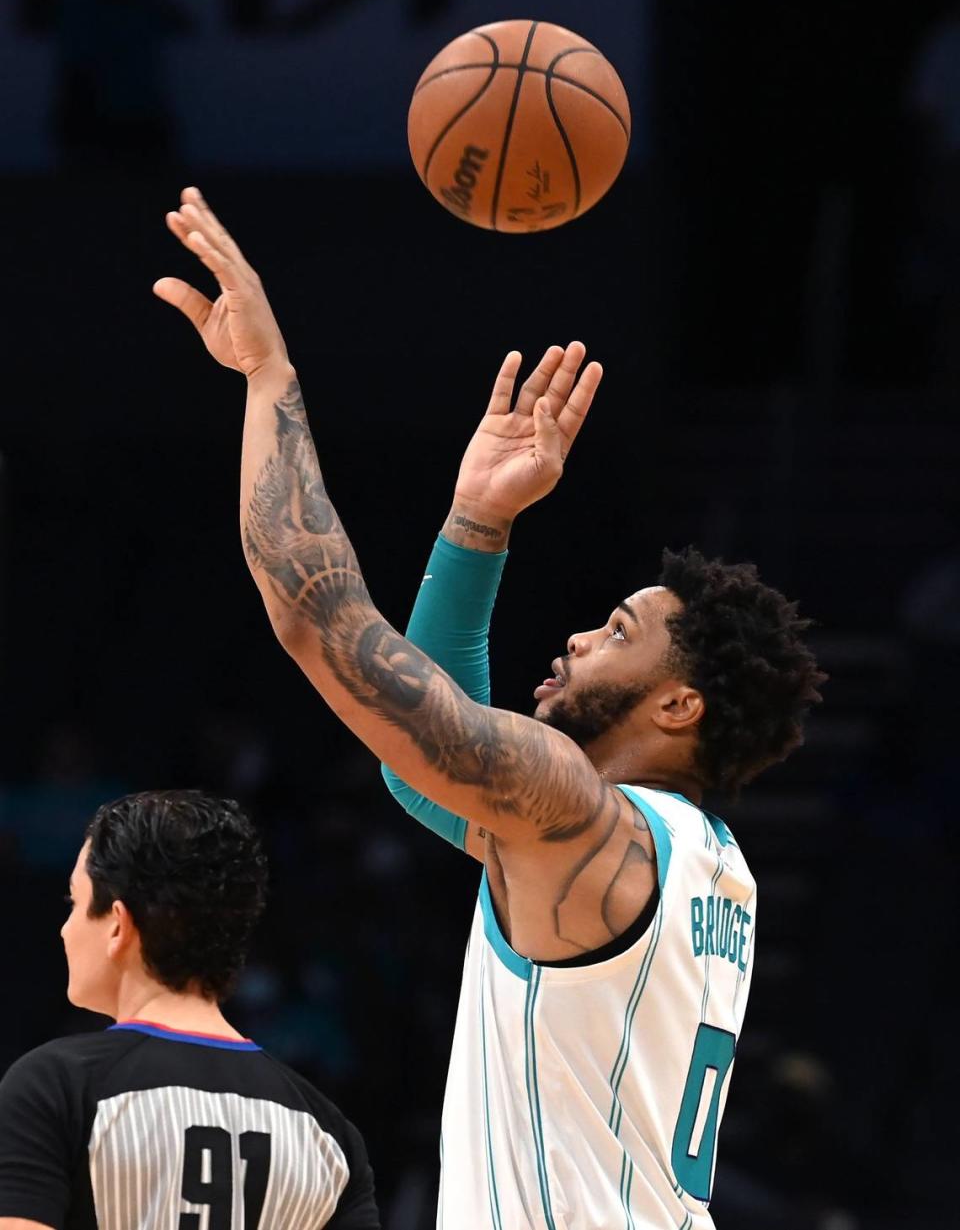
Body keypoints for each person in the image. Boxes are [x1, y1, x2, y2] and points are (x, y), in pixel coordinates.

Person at [155, 188, 826, 1229]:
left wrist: (267, 376)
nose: (574, 637)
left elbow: (316, 610)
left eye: (615, 630)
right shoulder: (706, 863)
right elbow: (417, 770)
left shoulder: (581, 816)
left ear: (681, 699)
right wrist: (475, 521)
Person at [0, 789, 379, 1230]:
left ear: (118, 925)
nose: (65, 929)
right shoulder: (328, 1134)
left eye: (75, 903)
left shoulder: (53, 1089)